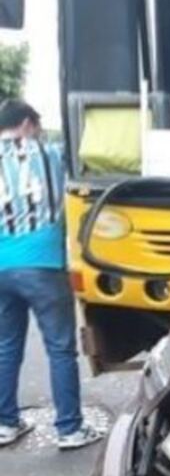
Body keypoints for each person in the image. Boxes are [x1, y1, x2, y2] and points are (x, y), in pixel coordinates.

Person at [0, 100, 104, 450]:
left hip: (1, 266)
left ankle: (5, 423)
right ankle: (69, 428)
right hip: (43, 263)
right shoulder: (52, 154)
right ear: (28, 124)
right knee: (60, 349)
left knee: (5, 347)